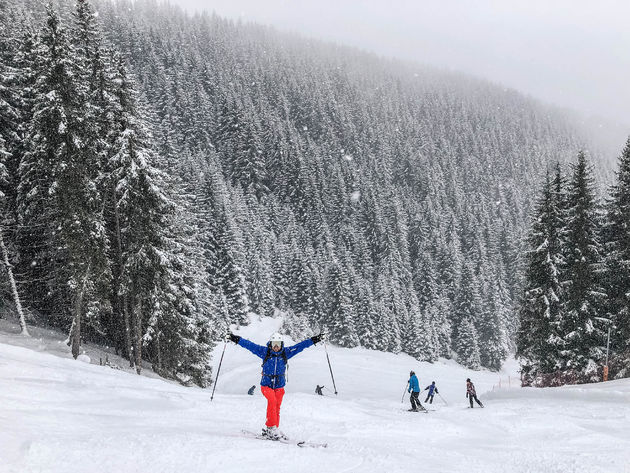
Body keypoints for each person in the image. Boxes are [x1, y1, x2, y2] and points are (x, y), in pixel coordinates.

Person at [228, 330, 323, 440]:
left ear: (282, 344)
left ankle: (275, 429)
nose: (276, 347)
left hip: (279, 386)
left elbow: (301, 346)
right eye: (274, 344)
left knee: (277, 407)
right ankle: (270, 428)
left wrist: (316, 339)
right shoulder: (265, 352)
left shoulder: (286, 353)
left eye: (278, 344)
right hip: (266, 385)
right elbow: (249, 345)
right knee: (272, 401)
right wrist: (235, 338)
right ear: (270, 344)